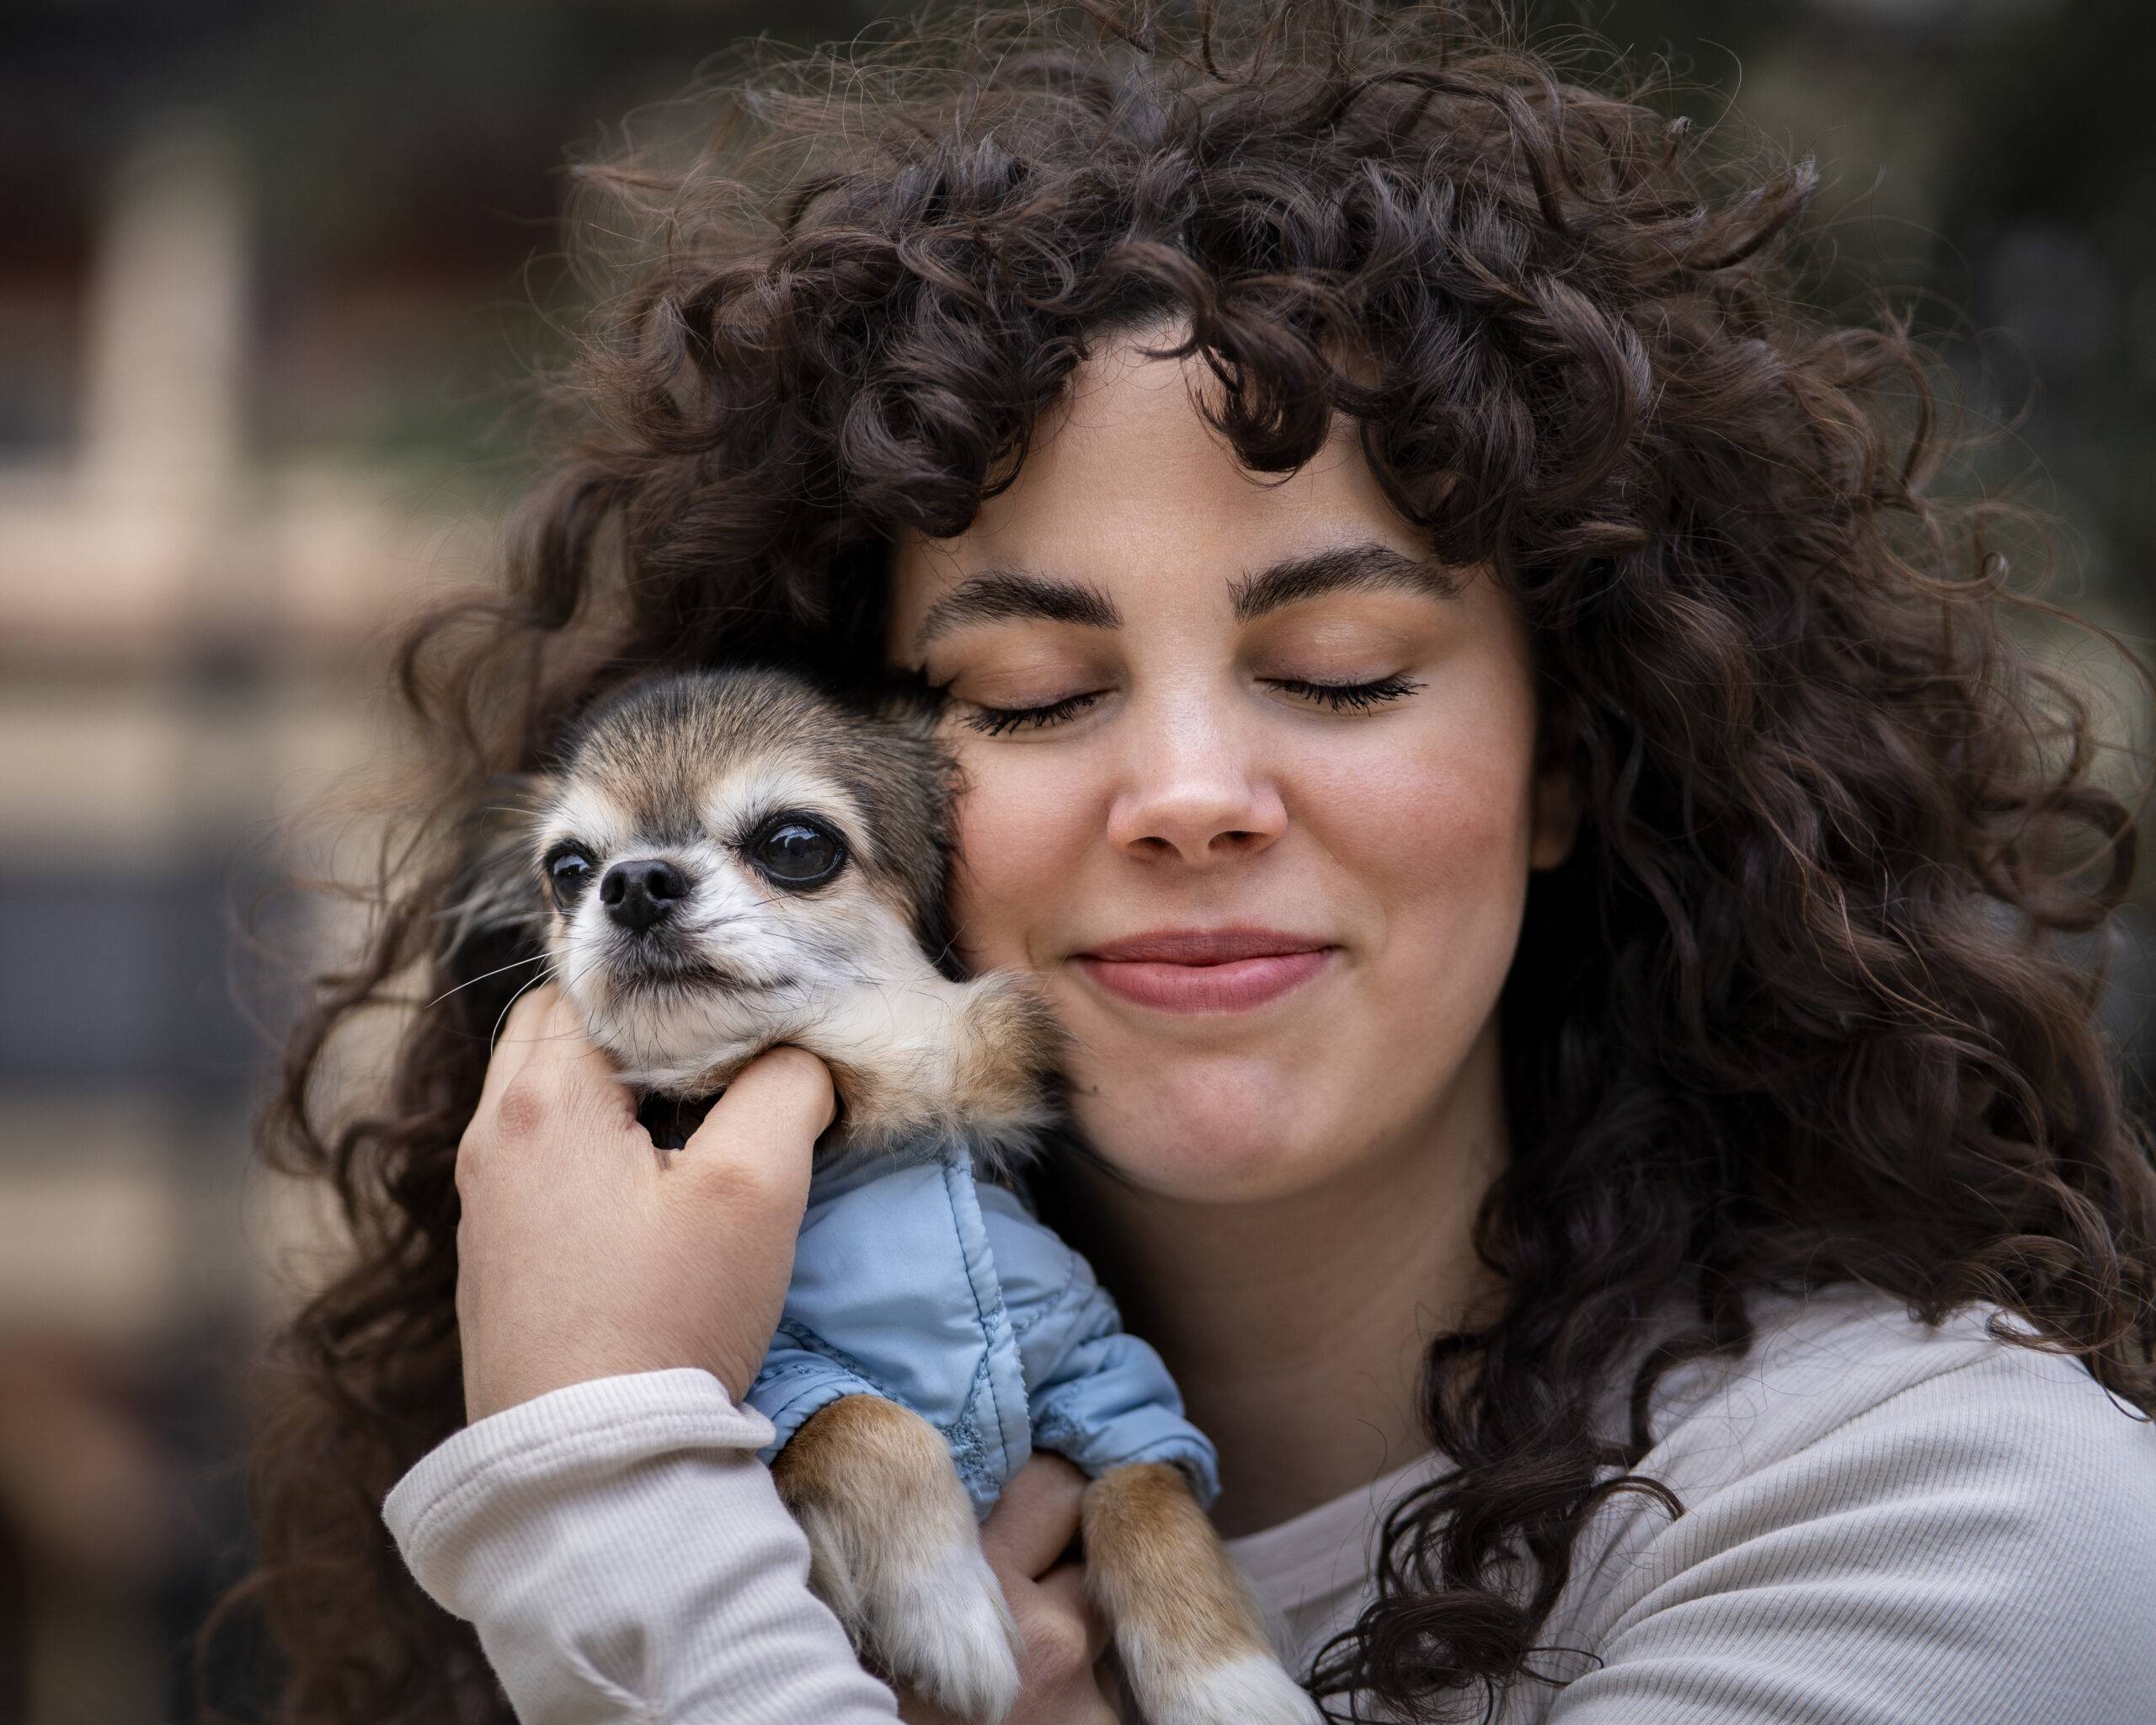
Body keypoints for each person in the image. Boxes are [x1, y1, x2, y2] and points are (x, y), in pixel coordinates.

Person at [227, 3, 2156, 1721]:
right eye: (1036, 693)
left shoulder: (1954, 1515)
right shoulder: (728, 1479)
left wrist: (601, 1490)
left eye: (1336, 672)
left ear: (1571, 760)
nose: (1187, 791)